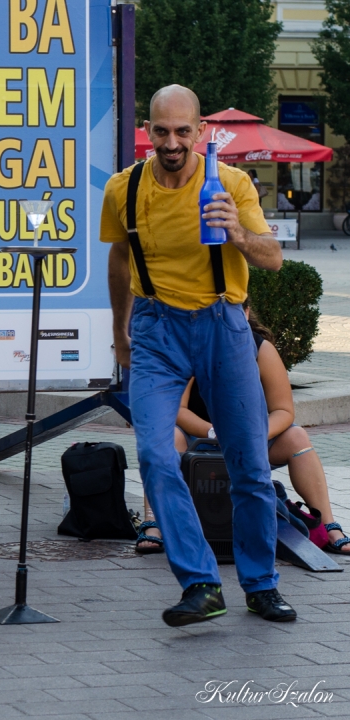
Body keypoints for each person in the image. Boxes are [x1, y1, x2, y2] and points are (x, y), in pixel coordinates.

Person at [102, 85, 295, 626]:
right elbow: (119, 258)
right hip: (156, 328)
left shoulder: (230, 183)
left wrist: (237, 232)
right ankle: (201, 583)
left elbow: (273, 258)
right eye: (161, 131)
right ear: (148, 130)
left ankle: (260, 584)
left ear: (201, 131)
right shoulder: (124, 188)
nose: (172, 143)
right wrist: (120, 332)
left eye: (183, 131)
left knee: (249, 464)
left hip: (221, 324)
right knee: (156, 455)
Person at [136, 301, 349, 555]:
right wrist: (214, 432)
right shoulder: (191, 345)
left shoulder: (261, 349)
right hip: (198, 438)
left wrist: (253, 435)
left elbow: (283, 411)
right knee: (165, 437)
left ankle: (328, 526)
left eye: (232, 312)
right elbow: (178, 409)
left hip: (251, 438)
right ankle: (154, 523)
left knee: (297, 436)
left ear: (246, 314)